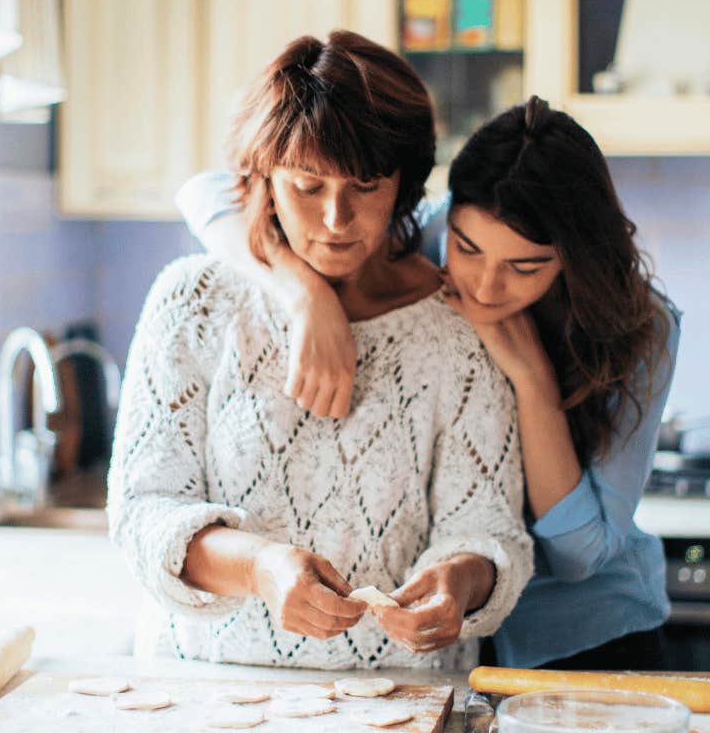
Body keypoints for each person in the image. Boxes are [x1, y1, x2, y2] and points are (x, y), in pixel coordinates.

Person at [177, 95, 680, 671]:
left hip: (581, 635)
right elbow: (208, 192)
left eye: (526, 267)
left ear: (572, 258)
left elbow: (579, 555)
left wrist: (533, 382)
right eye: (467, 249)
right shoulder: (424, 234)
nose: (488, 286)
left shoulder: (643, 327)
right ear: (450, 215)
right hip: (452, 644)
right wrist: (305, 296)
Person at [108, 30, 532, 669]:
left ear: (405, 184)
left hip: (405, 701)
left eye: (366, 185)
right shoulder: (193, 301)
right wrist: (259, 568)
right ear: (264, 180)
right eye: (308, 185)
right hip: (205, 698)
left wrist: (460, 582)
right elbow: (143, 512)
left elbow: (492, 530)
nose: (338, 219)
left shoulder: (457, 330)